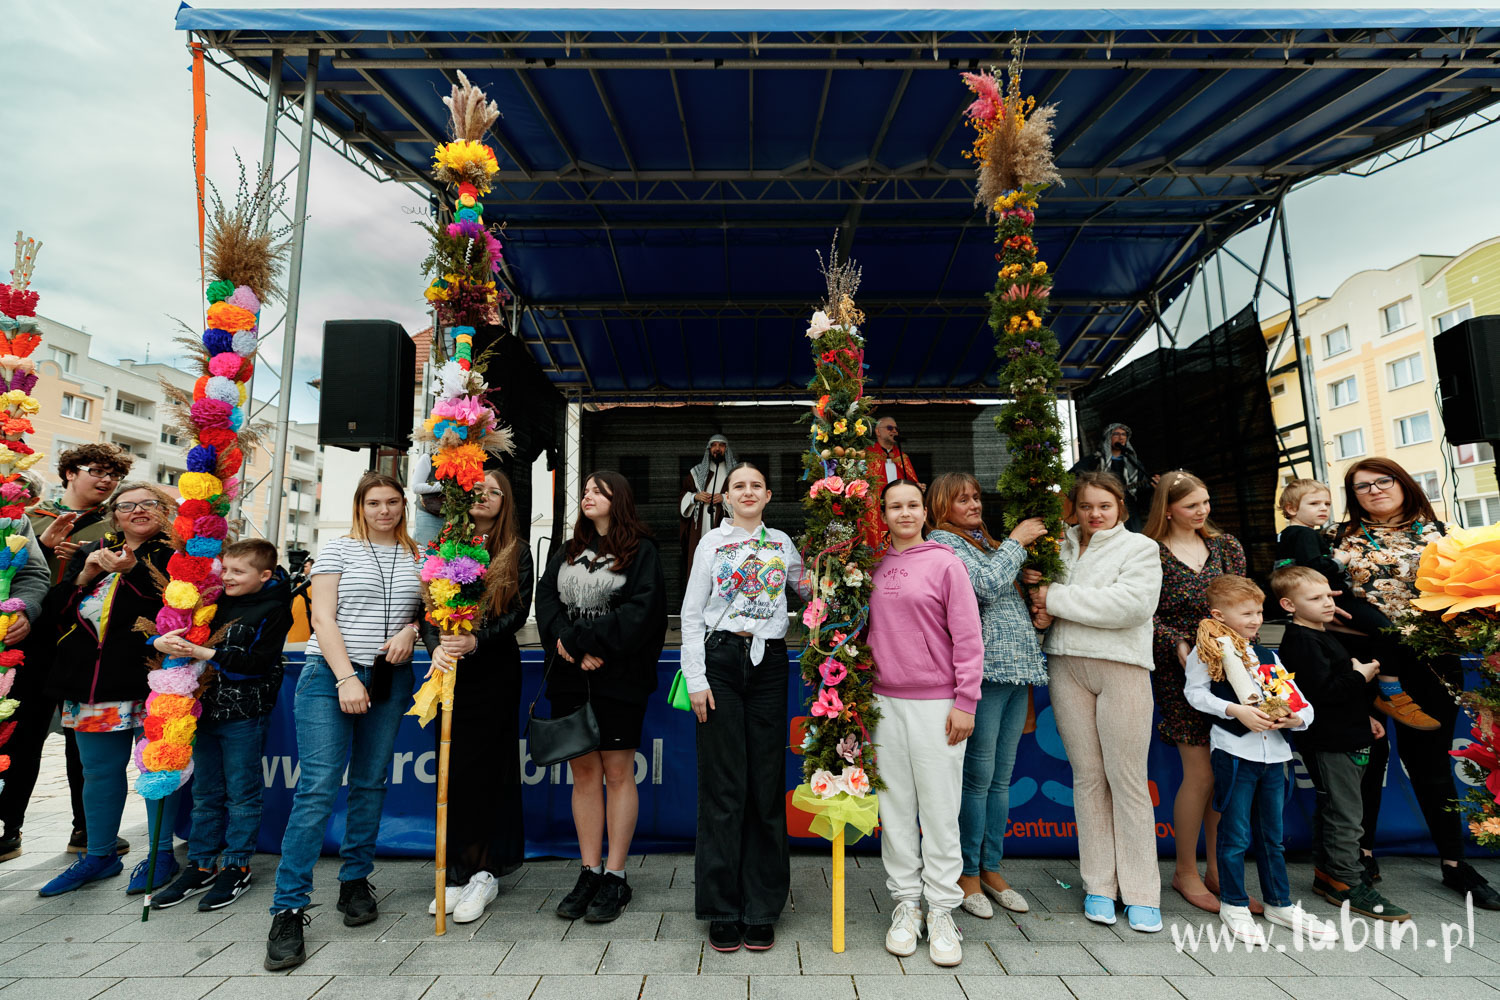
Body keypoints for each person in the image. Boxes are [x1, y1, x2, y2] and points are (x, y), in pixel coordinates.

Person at [265, 473, 423, 971]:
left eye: (392, 501)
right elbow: (323, 619)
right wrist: (344, 678)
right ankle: (288, 907)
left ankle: (355, 881)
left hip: (391, 678)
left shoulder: (419, 555)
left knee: (371, 783)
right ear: (360, 505)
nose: (384, 510)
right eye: (374, 502)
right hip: (330, 675)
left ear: (404, 505)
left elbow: (430, 610)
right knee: (317, 789)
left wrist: (412, 629)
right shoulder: (337, 550)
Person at [1332, 458, 1500, 909]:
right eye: (1361, 486)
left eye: (1382, 481)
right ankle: (1360, 856)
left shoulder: (1442, 534)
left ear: (1403, 483)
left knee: (1430, 764)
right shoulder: (1337, 537)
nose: (1373, 490)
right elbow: (1328, 596)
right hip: (1363, 662)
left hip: (1431, 662)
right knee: (1367, 761)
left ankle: (1453, 863)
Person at [1024, 471, 1163, 933]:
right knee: (1087, 778)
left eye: (1104, 506)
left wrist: (1054, 596)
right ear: (1075, 508)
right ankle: (1099, 886)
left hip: (1121, 665)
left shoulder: (1140, 548)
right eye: (1086, 507)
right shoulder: (1059, 546)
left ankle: (1142, 892)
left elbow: (1131, 606)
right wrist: (1040, 605)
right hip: (1066, 664)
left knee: (1126, 780)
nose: (1095, 515)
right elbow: (1041, 601)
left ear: (1120, 507)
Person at [680, 461, 803, 952]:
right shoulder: (712, 544)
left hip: (771, 664)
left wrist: (838, 572)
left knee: (766, 784)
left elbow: (809, 592)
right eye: (738, 486)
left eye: (756, 485)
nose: (747, 491)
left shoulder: (782, 544)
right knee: (725, 784)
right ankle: (721, 906)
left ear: (768, 495)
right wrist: (696, 678)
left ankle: (762, 906)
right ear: (725, 497)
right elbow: (691, 614)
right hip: (722, 663)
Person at [37, 483, 182, 897]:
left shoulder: (181, 555)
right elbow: (54, 617)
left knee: (157, 771)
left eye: (149, 503)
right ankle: (99, 855)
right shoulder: (93, 549)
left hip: (152, 679)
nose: (137, 511)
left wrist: (132, 571)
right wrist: (84, 575)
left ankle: (160, 855)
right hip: (90, 684)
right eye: (126, 506)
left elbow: (174, 611)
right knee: (98, 773)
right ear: (114, 514)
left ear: (165, 510)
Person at [536, 471, 667, 925]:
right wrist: (570, 646)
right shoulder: (568, 549)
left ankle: (615, 875)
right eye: (586, 491)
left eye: (598, 490)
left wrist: (588, 641)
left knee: (618, 771)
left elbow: (643, 613)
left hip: (620, 676)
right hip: (570, 674)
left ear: (619, 498)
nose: (588, 496)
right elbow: (547, 600)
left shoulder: (642, 551)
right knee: (583, 773)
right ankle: (588, 871)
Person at [1181, 574, 1338, 945]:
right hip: (1235, 752)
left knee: (1273, 836)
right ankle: (1233, 903)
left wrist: (1296, 718)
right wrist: (1236, 710)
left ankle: (1279, 903)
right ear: (1219, 614)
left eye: (1259, 612)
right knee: (1234, 835)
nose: (1256, 619)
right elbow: (1195, 695)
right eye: (1247, 613)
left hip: (1276, 755)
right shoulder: (1208, 652)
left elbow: (1299, 701)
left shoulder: (1268, 653)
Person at [2, 443, 135, 861]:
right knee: (22, 737)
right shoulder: (30, 517)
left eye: (114, 475)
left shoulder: (118, 527)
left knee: (86, 744)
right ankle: (9, 827)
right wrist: (41, 546)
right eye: (97, 470)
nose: (107, 481)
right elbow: (24, 576)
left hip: (87, 648)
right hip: (35, 645)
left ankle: (88, 828)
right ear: (69, 473)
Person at [869, 480, 981, 968]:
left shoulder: (945, 562)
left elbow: (968, 636)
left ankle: (941, 910)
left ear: (924, 511)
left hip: (938, 705)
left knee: (938, 809)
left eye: (912, 504)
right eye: (895, 506)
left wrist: (966, 701)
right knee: (894, 810)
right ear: (883, 513)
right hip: (882, 703)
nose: (905, 513)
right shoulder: (869, 566)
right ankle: (906, 905)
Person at [925, 472, 1047, 918]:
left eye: (976, 497)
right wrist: (1017, 542)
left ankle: (991, 867)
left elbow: (1001, 584)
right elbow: (983, 586)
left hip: (1017, 671)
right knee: (977, 780)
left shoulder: (985, 543)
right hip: (986, 672)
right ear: (941, 508)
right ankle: (967, 873)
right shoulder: (943, 543)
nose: (974, 504)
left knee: (1000, 778)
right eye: (962, 500)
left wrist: (1024, 575)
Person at [149, 538, 293, 911]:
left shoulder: (275, 608)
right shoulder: (212, 601)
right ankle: (200, 864)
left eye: (238, 571)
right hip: (200, 712)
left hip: (245, 714)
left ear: (264, 575)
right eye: (225, 569)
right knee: (206, 793)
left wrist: (204, 653)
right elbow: (175, 631)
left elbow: (258, 663)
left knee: (242, 793)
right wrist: (159, 640)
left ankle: (237, 864)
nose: (227, 576)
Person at [421, 468, 533, 924]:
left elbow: (518, 613)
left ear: (506, 502)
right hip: (449, 671)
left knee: (489, 769)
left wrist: (475, 641)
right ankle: (454, 869)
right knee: (453, 770)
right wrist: (438, 646)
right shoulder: (442, 548)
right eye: (477, 490)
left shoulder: (515, 552)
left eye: (494, 492)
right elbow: (427, 609)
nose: (485, 497)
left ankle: (486, 871)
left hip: (493, 671)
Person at [1272, 565, 1411, 922]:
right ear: (1289, 605)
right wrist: (1359, 675)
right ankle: (1347, 882)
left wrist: (1364, 716)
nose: (1327, 604)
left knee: (1338, 808)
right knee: (1346, 814)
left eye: (1328, 596)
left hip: (1347, 733)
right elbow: (1320, 694)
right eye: (1315, 599)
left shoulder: (1320, 633)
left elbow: (1334, 689)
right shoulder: (1301, 641)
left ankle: (1328, 874)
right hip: (1330, 742)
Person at [1145, 469, 1246, 914]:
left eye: (1206, 501)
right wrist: (1177, 644)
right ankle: (1186, 870)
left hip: (1230, 666)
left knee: (1224, 773)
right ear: (1168, 509)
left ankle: (1218, 869)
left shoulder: (1227, 547)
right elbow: (1142, 613)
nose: (1203, 511)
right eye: (1192, 505)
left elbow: (1244, 600)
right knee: (1200, 773)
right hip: (1179, 671)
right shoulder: (1150, 551)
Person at [1274, 478, 1437, 730]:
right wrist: (1341, 560)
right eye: (1314, 503)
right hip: (1336, 596)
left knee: (1372, 634)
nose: (1323, 509)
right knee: (1388, 631)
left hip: (1322, 599)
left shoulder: (1288, 535)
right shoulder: (1304, 534)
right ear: (1291, 509)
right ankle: (1391, 692)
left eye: (1327, 503)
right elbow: (1315, 568)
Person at [1069, 423, 1156, 531]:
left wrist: (1151, 486)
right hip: (1102, 509)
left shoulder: (1134, 463)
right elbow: (1070, 477)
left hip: (1129, 509)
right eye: (1116, 434)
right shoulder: (1094, 460)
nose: (1121, 437)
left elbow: (1142, 492)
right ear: (1108, 437)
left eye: (1124, 434)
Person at [679, 435, 735, 578]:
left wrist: (723, 498)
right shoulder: (696, 473)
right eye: (713, 445)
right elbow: (684, 494)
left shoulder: (736, 472)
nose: (717, 449)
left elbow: (744, 496)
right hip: (702, 525)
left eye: (721, 445)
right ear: (709, 449)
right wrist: (694, 497)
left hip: (726, 525)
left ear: (726, 449)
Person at [862, 416, 920, 552]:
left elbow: (912, 482)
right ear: (878, 431)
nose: (894, 431)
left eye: (896, 429)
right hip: (876, 509)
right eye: (889, 428)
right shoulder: (868, 456)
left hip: (900, 510)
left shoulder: (903, 457)